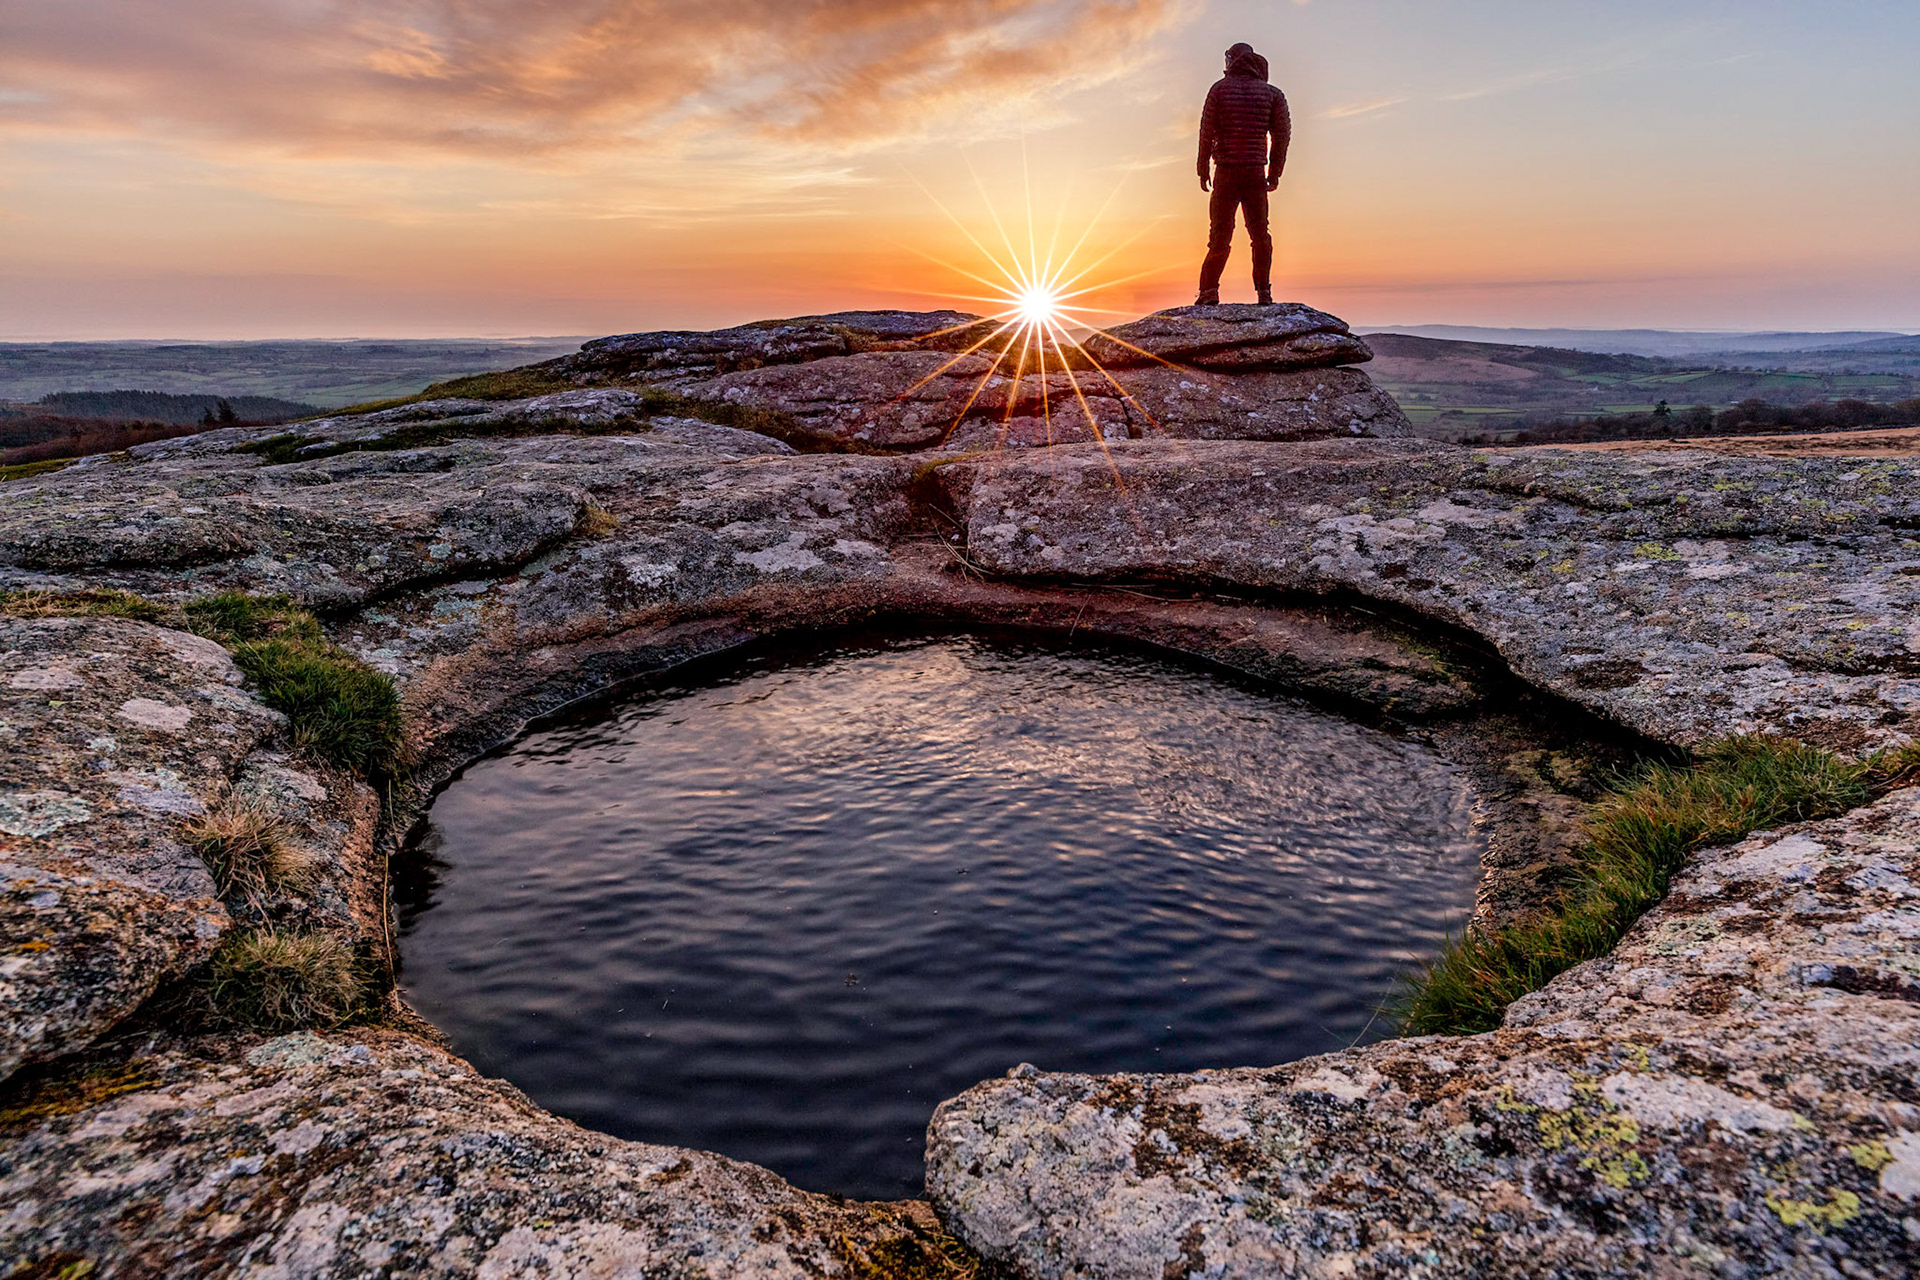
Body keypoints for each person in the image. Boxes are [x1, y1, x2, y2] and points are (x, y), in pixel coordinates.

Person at [1195, 42, 1292, 307]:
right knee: (1260, 235)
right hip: (1254, 173)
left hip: (1225, 171)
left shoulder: (1218, 89)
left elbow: (1207, 132)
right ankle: (1264, 292)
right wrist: (1275, 172)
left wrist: (1202, 167)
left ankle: (1208, 292)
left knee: (1219, 236)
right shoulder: (1272, 94)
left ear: (1232, 60)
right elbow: (1282, 137)